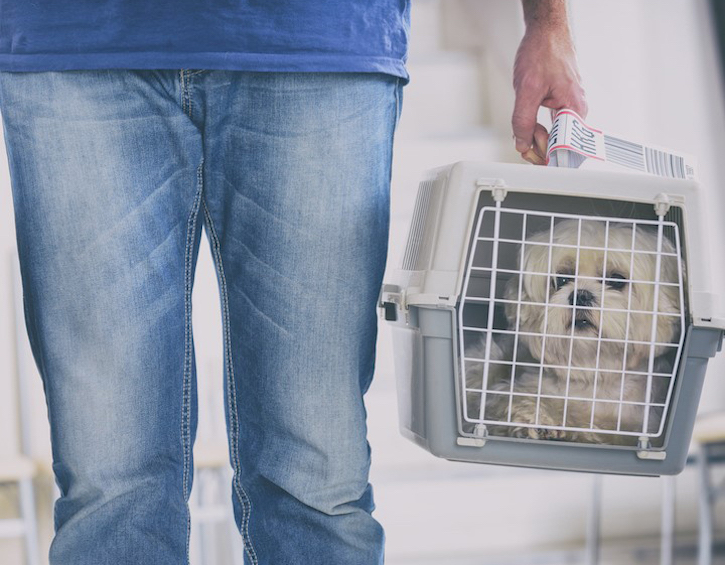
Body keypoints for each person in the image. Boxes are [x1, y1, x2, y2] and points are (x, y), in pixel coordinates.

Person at [0, 0, 585, 563]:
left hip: (317, 34)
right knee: (109, 489)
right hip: (70, 35)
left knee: (314, 481)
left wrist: (548, 23)